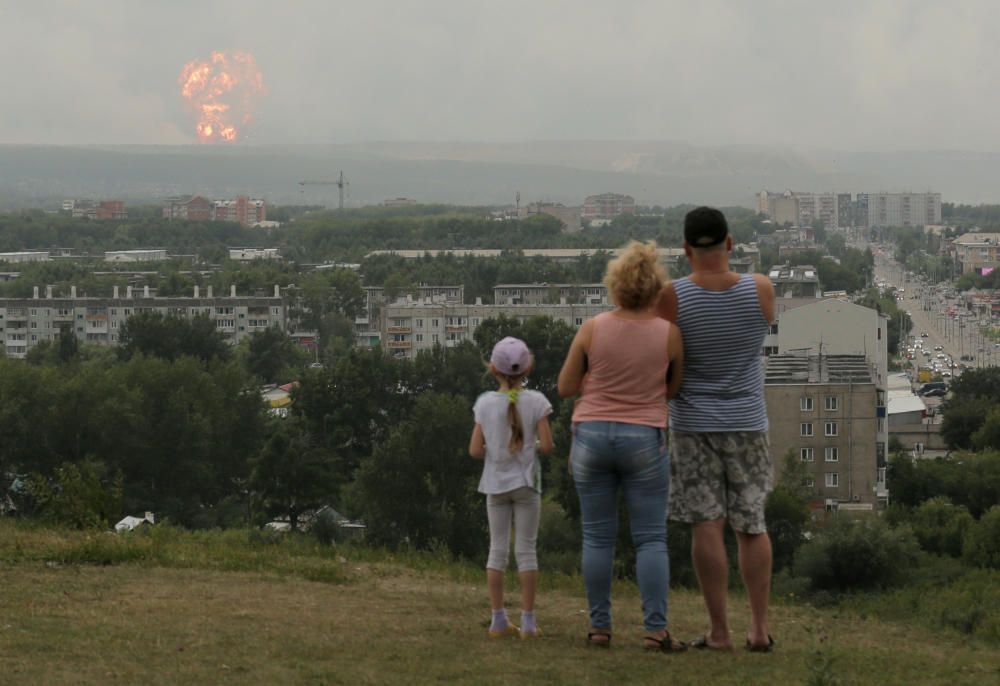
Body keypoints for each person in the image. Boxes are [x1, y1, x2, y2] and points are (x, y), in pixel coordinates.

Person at [656, 206, 776, 652]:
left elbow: (666, 356)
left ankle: (719, 632)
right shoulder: (760, 289)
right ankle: (759, 630)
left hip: (692, 425)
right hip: (749, 422)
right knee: (752, 523)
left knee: (706, 524)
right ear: (729, 243)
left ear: (685, 249)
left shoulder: (671, 297)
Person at [558, 240, 685, 651]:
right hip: (644, 438)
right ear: (656, 289)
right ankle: (655, 629)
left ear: (614, 285)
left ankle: (599, 627)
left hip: (591, 435)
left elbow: (564, 387)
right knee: (650, 538)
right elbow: (673, 390)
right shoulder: (669, 335)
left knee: (597, 537)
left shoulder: (592, 328)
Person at [469, 336, 554, 639]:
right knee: (526, 551)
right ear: (527, 367)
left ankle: (498, 619)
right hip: (527, 484)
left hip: (495, 484)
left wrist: (495, 448)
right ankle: (529, 622)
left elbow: (475, 451)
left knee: (497, 551)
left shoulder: (484, 404)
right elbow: (547, 447)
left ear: (493, 369)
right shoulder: (538, 402)